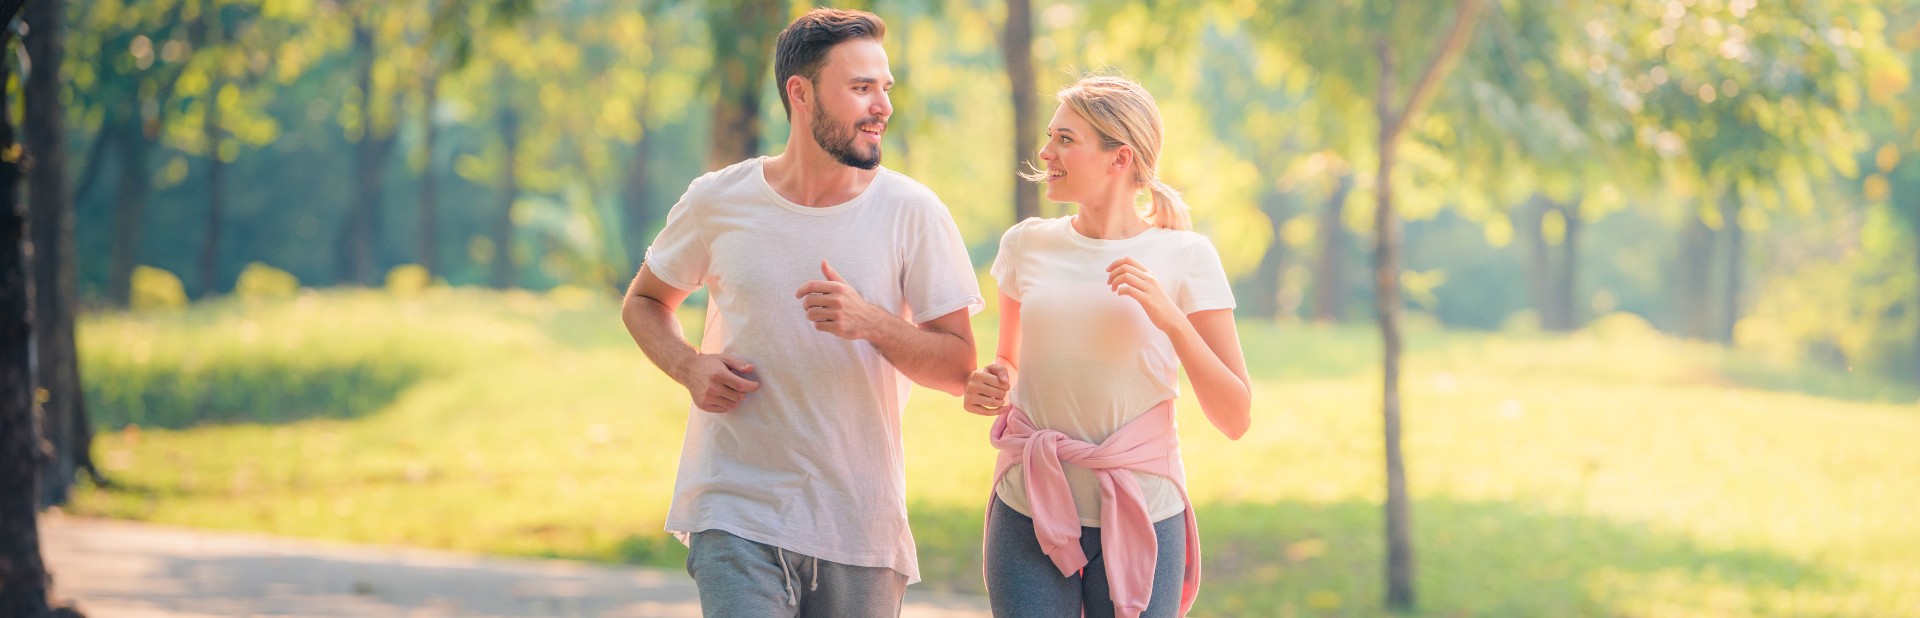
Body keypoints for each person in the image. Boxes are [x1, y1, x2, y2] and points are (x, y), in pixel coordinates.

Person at [619, 8, 982, 617]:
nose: (883, 106)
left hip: (859, 524)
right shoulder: (719, 200)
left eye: (885, 88)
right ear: (801, 94)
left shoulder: (911, 212)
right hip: (735, 511)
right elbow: (645, 302)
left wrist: (871, 322)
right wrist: (688, 366)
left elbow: (957, 367)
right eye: (861, 88)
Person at [962, 75, 1253, 618]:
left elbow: (1235, 416)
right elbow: (1009, 361)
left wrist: (1172, 320)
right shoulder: (1026, 243)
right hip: (1030, 508)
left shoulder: (1186, 256)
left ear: (1120, 159)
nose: (1046, 152)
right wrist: (992, 380)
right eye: (1050, 136)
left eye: (1066, 140)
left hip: (1145, 513)